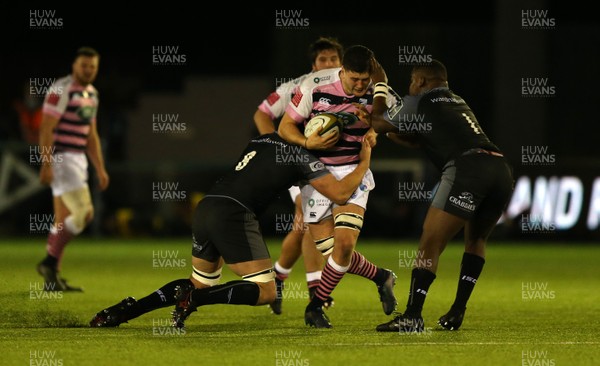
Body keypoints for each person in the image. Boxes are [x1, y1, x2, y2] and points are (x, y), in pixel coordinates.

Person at [89, 130, 371, 328]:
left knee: (200, 280)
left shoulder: (263, 139)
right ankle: (196, 299)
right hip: (234, 213)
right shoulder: (302, 157)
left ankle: (124, 311)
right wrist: (364, 160)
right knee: (267, 291)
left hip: (208, 205)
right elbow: (340, 193)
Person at [366, 58, 514, 332]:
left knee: (429, 243)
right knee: (477, 240)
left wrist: (380, 89)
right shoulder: (457, 101)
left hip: (468, 170)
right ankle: (457, 311)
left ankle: (412, 315)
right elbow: (425, 138)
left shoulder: (419, 101)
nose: (410, 87)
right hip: (500, 170)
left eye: (412, 81)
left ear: (421, 81)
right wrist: (396, 132)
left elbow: (376, 121)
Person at [278, 45, 397, 328]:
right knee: (330, 250)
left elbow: (399, 126)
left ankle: (315, 306)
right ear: (342, 70)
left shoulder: (380, 92)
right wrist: (308, 143)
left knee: (343, 247)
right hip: (315, 175)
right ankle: (381, 276)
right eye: (353, 79)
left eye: (363, 80)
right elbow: (285, 127)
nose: (359, 85)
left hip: (354, 171)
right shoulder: (313, 85)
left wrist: (377, 128)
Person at [254, 36, 343, 314]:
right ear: (313, 64)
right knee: (309, 213)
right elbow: (262, 114)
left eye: (333, 59)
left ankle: (278, 277)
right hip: (301, 160)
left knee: (302, 224)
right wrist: (275, 144)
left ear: (340, 62)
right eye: (323, 59)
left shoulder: (350, 84)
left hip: (339, 164)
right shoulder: (297, 86)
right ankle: (317, 290)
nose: (328, 64)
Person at [36, 47, 109, 291]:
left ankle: (52, 277)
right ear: (74, 66)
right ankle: (49, 262)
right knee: (85, 214)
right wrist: (46, 163)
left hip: (79, 160)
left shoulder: (92, 93)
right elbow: (47, 128)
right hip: (62, 159)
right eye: (84, 65)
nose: (88, 70)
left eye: (93, 66)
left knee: (62, 220)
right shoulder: (61, 88)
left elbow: (91, 135)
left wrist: (100, 168)